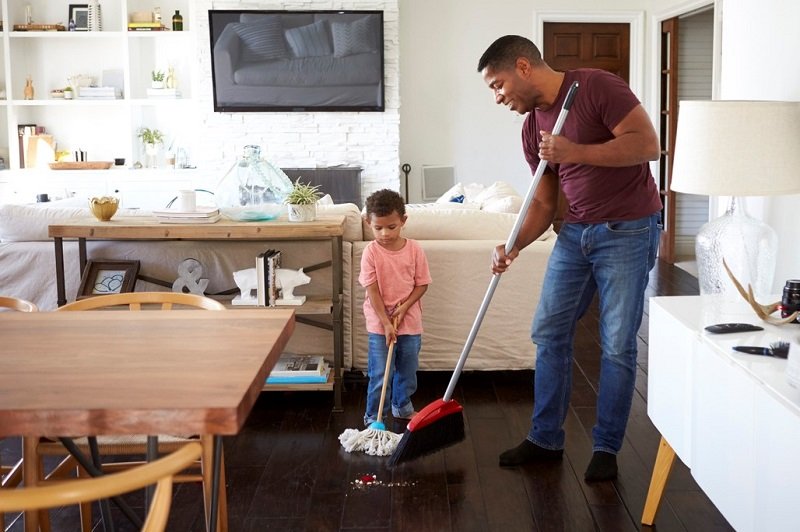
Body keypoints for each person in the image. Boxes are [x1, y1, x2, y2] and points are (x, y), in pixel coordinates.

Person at [477, 35, 662, 481]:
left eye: (497, 85)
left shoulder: (598, 87)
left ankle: (606, 447)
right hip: (574, 233)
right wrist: (514, 243)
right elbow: (543, 203)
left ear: (522, 67)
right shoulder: (530, 129)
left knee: (617, 343)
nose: (498, 98)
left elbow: (647, 145)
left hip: (629, 230)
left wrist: (575, 151)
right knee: (548, 332)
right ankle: (545, 439)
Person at [359, 189, 431, 427]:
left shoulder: (415, 250)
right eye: (377, 228)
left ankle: (401, 406)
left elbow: (422, 285)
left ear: (403, 221)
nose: (385, 233)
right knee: (380, 373)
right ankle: (374, 416)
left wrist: (405, 306)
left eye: (391, 227)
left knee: (407, 370)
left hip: (409, 321)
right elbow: (372, 290)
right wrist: (387, 323)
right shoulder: (370, 252)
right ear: (368, 222)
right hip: (380, 323)